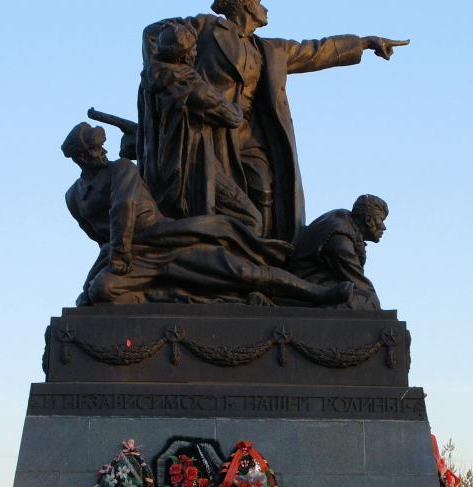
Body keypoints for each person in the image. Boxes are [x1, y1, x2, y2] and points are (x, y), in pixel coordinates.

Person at [139, 0, 405, 242]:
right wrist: (169, 74)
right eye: (259, 2)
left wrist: (364, 43)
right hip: (209, 128)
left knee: (265, 189)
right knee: (208, 195)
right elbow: (152, 33)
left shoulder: (270, 50)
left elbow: (315, 51)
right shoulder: (206, 26)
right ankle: (212, 249)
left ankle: (259, 255)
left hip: (250, 133)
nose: (265, 7)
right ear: (246, 6)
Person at [62, 122, 352, 306]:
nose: (102, 152)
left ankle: (315, 293)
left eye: (101, 147)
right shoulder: (73, 196)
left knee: (238, 270)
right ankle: (177, 296)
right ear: (80, 157)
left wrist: (118, 257)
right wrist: (110, 263)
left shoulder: (121, 169)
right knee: (100, 291)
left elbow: (123, 210)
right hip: (133, 256)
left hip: (165, 240)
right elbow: (99, 236)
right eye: (95, 149)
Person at [141, 21, 263, 235]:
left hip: (157, 173)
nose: (196, 53)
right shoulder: (188, 84)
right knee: (251, 219)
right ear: (183, 56)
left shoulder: (149, 78)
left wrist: (174, 26)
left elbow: (149, 32)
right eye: (193, 49)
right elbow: (232, 117)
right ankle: (206, 247)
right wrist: (237, 105)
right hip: (191, 167)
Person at [287, 194, 388, 310]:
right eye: (381, 220)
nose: (384, 227)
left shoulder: (345, 220)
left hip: (318, 281)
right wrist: (375, 304)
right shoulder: (341, 236)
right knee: (368, 303)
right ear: (368, 219)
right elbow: (358, 281)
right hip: (309, 285)